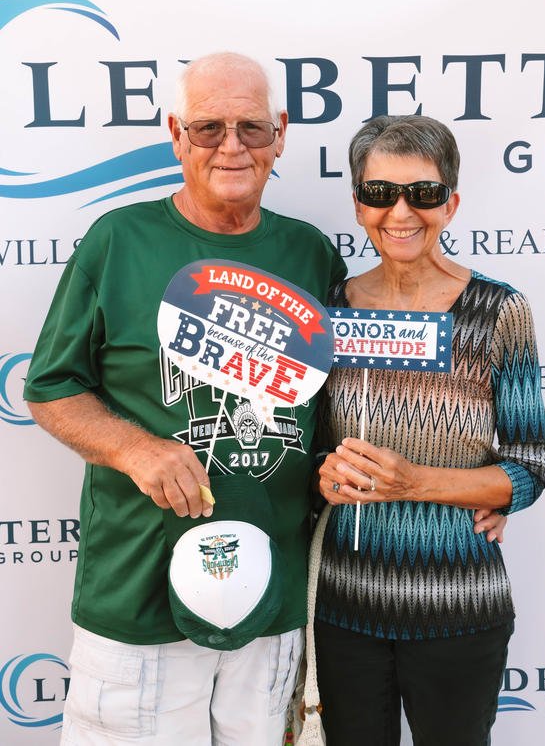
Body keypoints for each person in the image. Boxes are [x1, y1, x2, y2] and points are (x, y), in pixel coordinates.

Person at [24, 52, 347, 746]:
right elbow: (50, 386)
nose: (232, 146)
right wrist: (135, 449)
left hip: (271, 599)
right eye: (208, 128)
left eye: (251, 127)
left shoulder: (311, 254)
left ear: (280, 133)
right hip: (138, 596)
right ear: (176, 134)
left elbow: (340, 406)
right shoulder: (118, 240)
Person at [315, 115, 545, 746]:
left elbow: (528, 470)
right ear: (358, 204)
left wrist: (419, 482)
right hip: (344, 608)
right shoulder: (329, 310)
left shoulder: (498, 311)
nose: (400, 212)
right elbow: (307, 450)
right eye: (379, 192)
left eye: (421, 193)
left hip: (459, 607)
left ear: (450, 202)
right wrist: (322, 476)